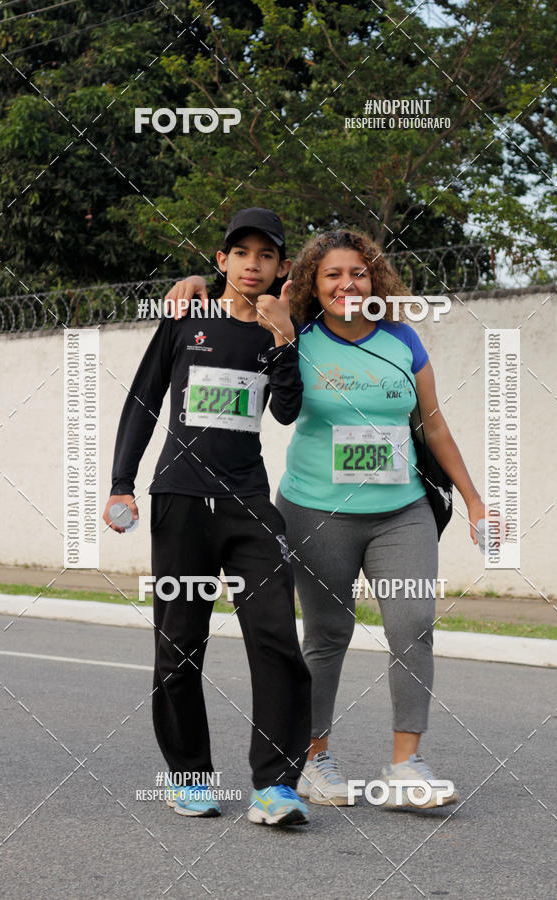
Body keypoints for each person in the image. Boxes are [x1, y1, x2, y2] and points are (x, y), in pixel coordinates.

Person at [170, 229, 487, 812]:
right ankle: (315, 759)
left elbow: (433, 426)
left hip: (403, 511)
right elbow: (231, 318)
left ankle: (405, 766)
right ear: (313, 283)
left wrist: (473, 499)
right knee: (325, 637)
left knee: (413, 623)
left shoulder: (402, 341)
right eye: (334, 274)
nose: (349, 283)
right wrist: (194, 285)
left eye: (359, 273)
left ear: (375, 280)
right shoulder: (295, 338)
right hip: (317, 512)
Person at [103, 208, 312, 827]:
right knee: (179, 645)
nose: (253, 264)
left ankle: (276, 787)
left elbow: (287, 412)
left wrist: (283, 341)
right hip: (180, 500)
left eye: (266, 255)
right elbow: (143, 400)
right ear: (221, 262)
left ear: (280, 267)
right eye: (240, 253)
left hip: (249, 505)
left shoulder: (283, 326)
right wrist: (122, 484)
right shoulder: (186, 316)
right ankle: (189, 776)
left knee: (276, 638)